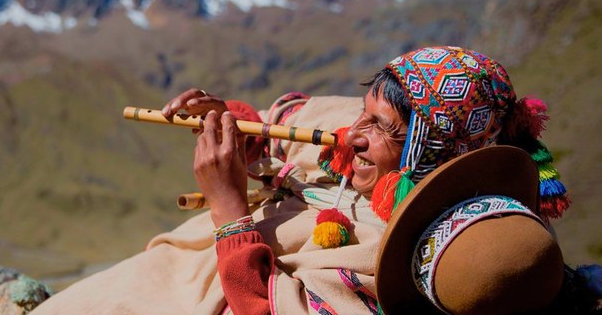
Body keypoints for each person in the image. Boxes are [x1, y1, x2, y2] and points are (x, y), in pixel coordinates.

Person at [32, 46, 574, 314]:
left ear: (431, 155)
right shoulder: (363, 138)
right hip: (174, 274)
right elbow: (284, 131)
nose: (351, 135)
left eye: (381, 129)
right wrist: (232, 125)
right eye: (362, 112)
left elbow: (267, 307)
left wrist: (228, 211)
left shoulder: (419, 251)